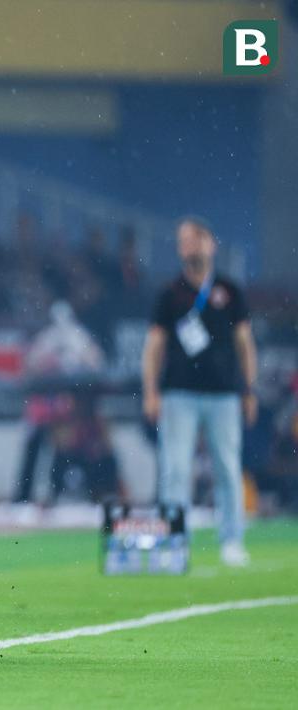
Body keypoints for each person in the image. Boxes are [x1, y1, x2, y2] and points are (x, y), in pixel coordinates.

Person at [142, 216, 258, 567]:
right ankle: (174, 543)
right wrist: (150, 390)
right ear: (179, 249)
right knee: (175, 469)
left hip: (224, 394)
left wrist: (248, 390)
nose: (191, 245)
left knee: (227, 465)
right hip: (179, 393)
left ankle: (231, 540)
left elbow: (245, 344)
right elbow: (154, 346)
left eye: (197, 238)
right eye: (184, 240)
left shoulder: (230, 291)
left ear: (212, 243)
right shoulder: (170, 293)